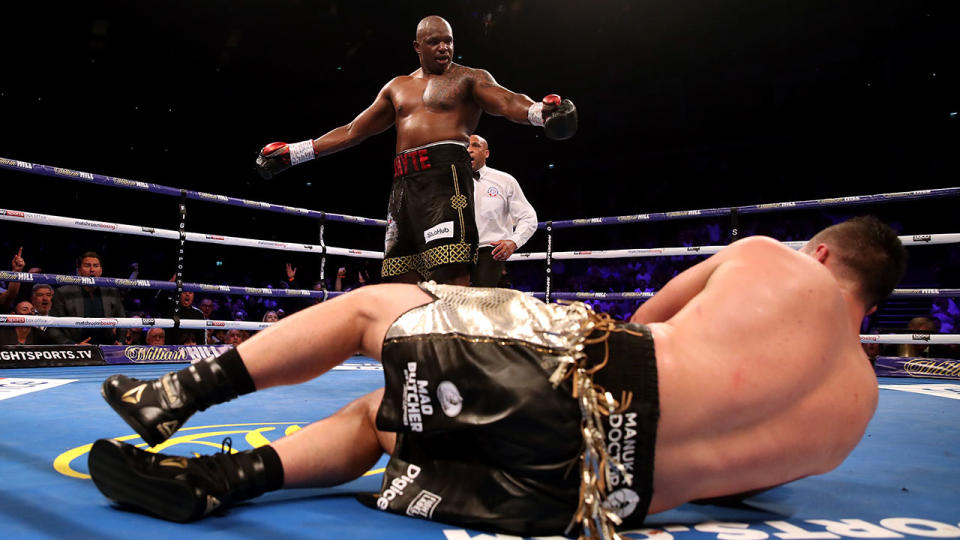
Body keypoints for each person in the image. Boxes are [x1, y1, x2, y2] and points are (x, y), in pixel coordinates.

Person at [88, 216, 906, 538]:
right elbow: (730, 482)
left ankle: (176, 395)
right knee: (390, 413)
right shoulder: (854, 414)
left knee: (377, 310)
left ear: (825, 254)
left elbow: (650, 325)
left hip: (597, 382)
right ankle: (218, 480)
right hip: (592, 502)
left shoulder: (776, 261)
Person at [254, 15, 576, 286]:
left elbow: (506, 101)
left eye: (448, 40)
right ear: (417, 47)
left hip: (445, 178)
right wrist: (294, 153)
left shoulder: (468, 79)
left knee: (450, 280)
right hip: (403, 187)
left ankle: (455, 356)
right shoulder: (397, 87)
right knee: (400, 282)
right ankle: (414, 360)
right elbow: (354, 131)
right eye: (435, 41)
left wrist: (539, 113)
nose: (444, 47)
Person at [466, 134, 538, 287]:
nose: (469, 150)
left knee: (483, 304)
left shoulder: (504, 181)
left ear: (486, 153)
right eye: (466, 146)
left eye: (475, 145)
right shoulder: (449, 182)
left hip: (490, 252)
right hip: (455, 253)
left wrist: (514, 241)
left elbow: (528, 217)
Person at [47, 252, 126, 345]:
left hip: (106, 347)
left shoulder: (111, 291)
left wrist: (119, 342)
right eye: (87, 266)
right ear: (79, 271)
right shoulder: (64, 293)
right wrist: (73, 345)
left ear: (100, 271)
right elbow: (52, 327)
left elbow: (123, 320)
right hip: (76, 348)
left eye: (96, 266)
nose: (92, 270)